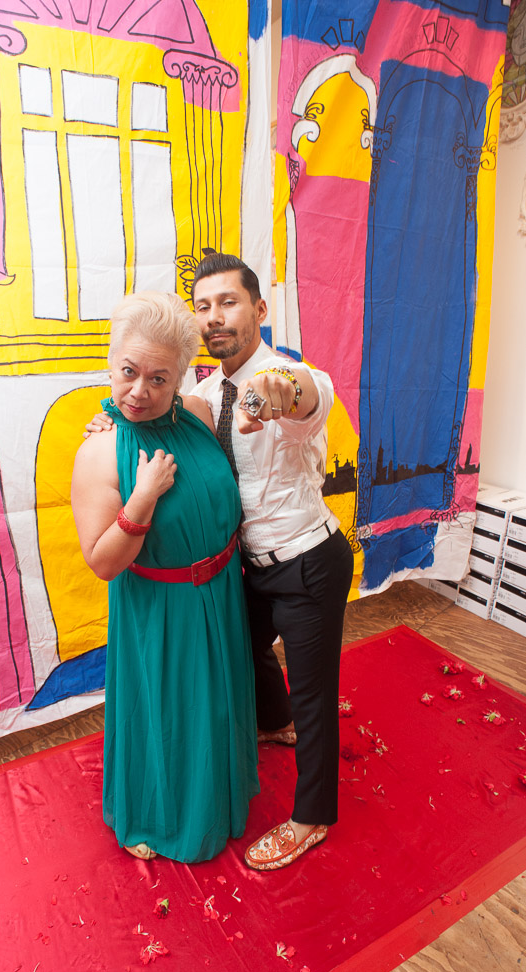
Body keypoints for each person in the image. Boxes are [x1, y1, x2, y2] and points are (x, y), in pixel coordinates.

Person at [71, 290, 258, 863]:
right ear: (111, 362)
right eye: (129, 372)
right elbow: (103, 562)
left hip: (221, 594)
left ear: (181, 378)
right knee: (169, 717)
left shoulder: (198, 415)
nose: (139, 392)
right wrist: (143, 497)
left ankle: (218, 796)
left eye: (159, 378)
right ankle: (154, 813)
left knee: (214, 711)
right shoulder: (100, 452)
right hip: (161, 610)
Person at [190, 252, 354, 871]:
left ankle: (312, 817)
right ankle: (277, 720)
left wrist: (275, 394)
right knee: (244, 648)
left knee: (316, 695)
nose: (214, 316)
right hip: (250, 565)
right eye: (203, 307)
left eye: (228, 302)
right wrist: (110, 423)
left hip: (309, 561)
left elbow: (302, 393)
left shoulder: (288, 375)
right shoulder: (205, 395)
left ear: (259, 309)